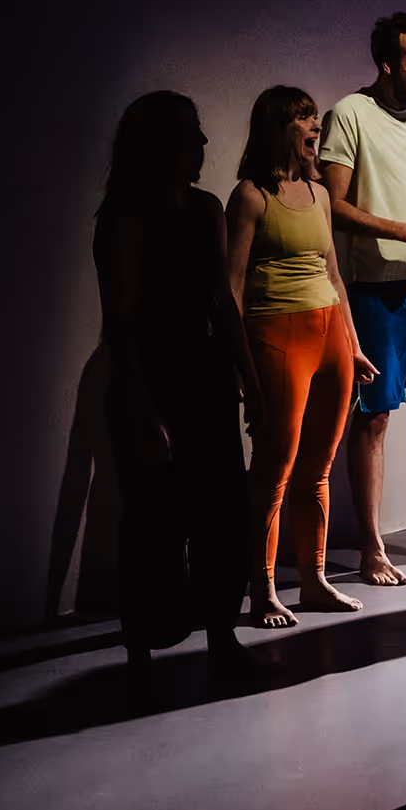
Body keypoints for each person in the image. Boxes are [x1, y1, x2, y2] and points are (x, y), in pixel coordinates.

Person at [92, 92, 257, 670]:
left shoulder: (206, 208)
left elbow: (221, 301)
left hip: (204, 377)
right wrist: (141, 406)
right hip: (153, 380)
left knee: (224, 517)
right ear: (161, 144)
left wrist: (250, 383)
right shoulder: (125, 218)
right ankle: (141, 656)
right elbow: (121, 321)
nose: (204, 145)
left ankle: (222, 639)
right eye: (192, 134)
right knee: (153, 524)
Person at [226, 86, 378, 628]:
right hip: (276, 335)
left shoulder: (317, 193)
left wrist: (354, 346)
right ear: (278, 127)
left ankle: (313, 582)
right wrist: (238, 364)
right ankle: (261, 588)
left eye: (316, 116)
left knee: (318, 468)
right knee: (274, 470)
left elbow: (333, 275)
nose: (316, 125)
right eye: (304, 118)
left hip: (330, 334)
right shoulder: (249, 196)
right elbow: (233, 284)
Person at [318, 12, 406, 586]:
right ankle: (373, 545)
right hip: (376, 288)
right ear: (386, 63)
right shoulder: (349, 114)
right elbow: (332, 205)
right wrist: (404, 231)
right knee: (374, 418)